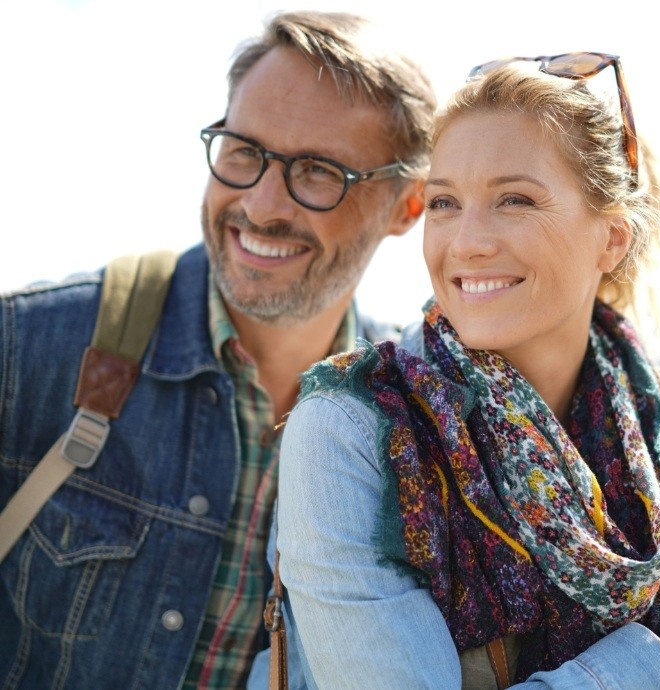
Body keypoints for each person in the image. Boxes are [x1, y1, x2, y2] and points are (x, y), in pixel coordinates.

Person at [0, 11, 435, 689]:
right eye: (243, 151)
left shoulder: (417, 431)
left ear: (408, 206)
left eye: (317, 172)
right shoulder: (29, 350)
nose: (261, 205)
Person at [273, 53, 660, 688]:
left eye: (514, 199)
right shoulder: (352, 429)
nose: (466, 241)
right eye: (444, 203)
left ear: (611, 238)